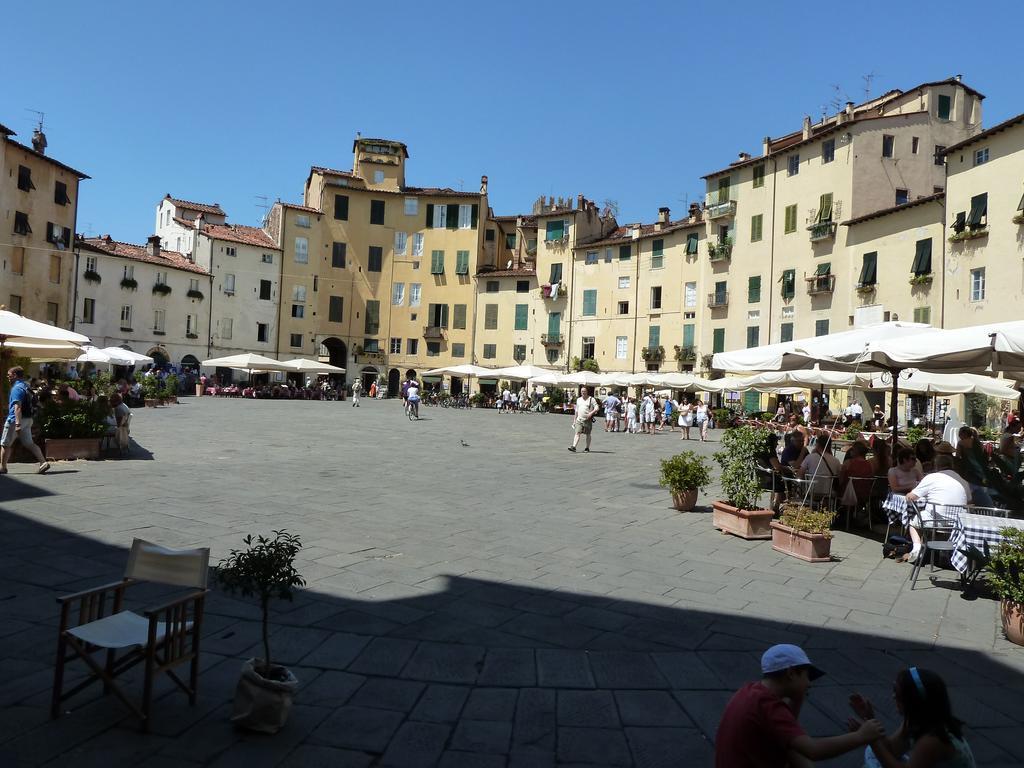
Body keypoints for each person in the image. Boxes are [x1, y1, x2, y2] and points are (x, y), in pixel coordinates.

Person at [715, 643, 884, 768]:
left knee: (793, 749)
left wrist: (797, 698)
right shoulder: (769, 706)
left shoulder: (750, 691)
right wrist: (861, 736)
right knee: (800, 753)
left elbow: (787, 732)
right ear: (790, 674)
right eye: (806, 676)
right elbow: (813, 750)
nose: (809, 684)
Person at [849, 667, 975, 768]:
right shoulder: (915, 722)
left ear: (913, 702)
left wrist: (871, 739)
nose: (893, 696)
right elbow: (892, 750)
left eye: (897, 693)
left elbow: (888, 758)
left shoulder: (933, 739)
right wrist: (869, 720)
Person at [904, 451, 971, 563]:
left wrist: (908, 495)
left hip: (935, 519)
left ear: (936, 466)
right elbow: (969, 500)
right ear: (952, 466)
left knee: (913, 522)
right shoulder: (962, 480)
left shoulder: (932, 477)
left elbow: (912, 497)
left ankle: (916, 548)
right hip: (958, 523)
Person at [1, 367, 50, 474]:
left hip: (16, 420)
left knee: (5, 444)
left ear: (14, 375)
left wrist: (17, 424)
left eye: (9, 375)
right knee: (29, 443)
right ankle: (43, 462)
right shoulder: (25, 385)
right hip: (28, 419)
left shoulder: (16, 388)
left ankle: (3, 468)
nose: (7, 377)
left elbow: (17, 407)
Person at [954, 426, 995, 506]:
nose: (959, 435)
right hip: (981, 470)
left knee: (972, 489)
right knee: (981, 488)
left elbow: (958, 457)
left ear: (963, 434)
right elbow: (984, 456)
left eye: (960, 433)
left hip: (969, 470)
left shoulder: (961, 443)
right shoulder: (978, 443)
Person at [568, 386, 599, 453]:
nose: (583, 392)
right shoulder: (578, 399)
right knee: (577, 432)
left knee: (588, 434)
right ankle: (574, 447)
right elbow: (576, 410)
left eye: (584, 391)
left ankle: (587, 447)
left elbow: (597, 408)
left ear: (587, 391)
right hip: (579, 419)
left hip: (587, 420)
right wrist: (574, 420)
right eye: (582, 391)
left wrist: (591, 413)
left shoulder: (591, 399)